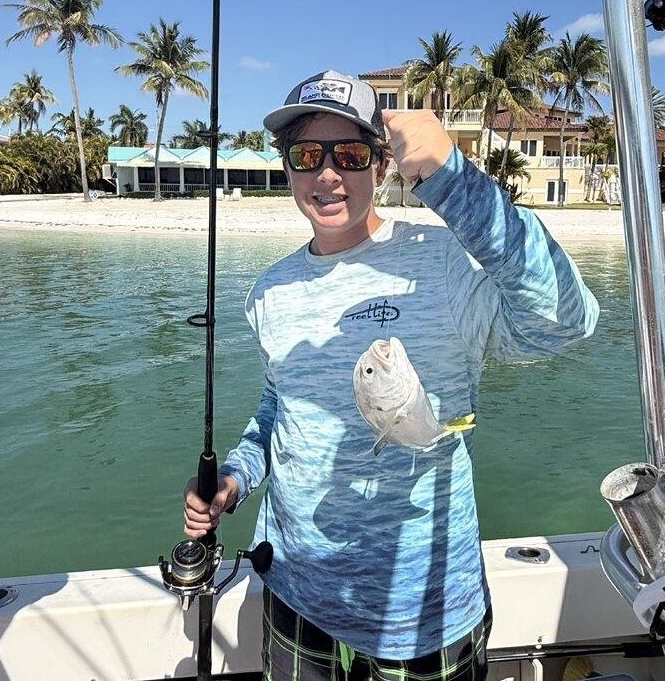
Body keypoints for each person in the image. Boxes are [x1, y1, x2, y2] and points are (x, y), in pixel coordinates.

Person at [184, 70, 599, 681]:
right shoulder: (270, 290)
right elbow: (279, 407)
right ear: (288, 168)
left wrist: (455, 178)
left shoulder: (442, 262)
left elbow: (566, 319)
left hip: (424, 610)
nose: (327, 174)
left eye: (350, 154)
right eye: (306, 155)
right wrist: (235, 478)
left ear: (380, 168)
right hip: (296, 595)